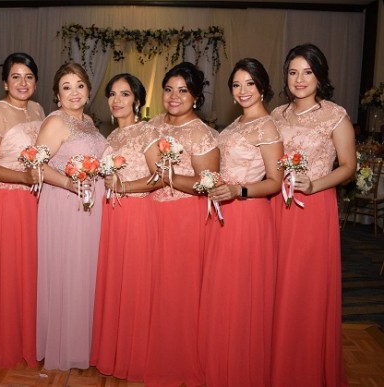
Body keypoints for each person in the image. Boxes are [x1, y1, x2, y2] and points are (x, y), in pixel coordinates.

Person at [271, 43, 355, 387]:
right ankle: (274, 358)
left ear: (320, 75)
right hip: (276, 206)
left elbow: (349, 167)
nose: (300, 79)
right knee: (275, 284)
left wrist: (315, 184)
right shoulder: (275, 115)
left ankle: (302, 366)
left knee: (304, 287)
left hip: (313, 207)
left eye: (307, 71)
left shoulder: (335, 115)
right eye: (293, 72)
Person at [198, 58, 283, 386]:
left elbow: (275, 181)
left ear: (262, 87)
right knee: (223, 292)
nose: (243, 90)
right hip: (224, 213)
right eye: (237, 84)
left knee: (241, 296)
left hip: (248, 215)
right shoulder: (235, 124)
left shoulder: (266, 126)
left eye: (250, 83)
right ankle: (219, 362)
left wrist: (238, 190)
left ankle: (241, 370)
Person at [144, 62, 219, 387]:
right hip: (150, 214)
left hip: (183, 218)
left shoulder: (200, 133)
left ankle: (177, 360)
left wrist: (169, 177)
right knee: (150, 287)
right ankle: (149, 350)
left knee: (177, 291)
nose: (174, 97)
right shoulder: (154, 124)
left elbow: (209, 182)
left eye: (183, 91)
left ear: (197, 97)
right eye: (169, 89)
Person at [35, 62, 108, 370]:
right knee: (68, 270)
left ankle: (84, 340)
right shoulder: (55, 122)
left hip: (90, 206)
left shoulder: (89, 121)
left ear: (88, 90)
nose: (74, 92)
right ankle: (65, 345)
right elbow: (36, 165)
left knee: (85, 271)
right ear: (57, 94)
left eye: (79, 85)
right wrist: (69, 184)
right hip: (65, 205)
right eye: (66, 87)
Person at [89, 73, 159, 382]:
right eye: (113, 94)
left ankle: (136, 355)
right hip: (113, 215)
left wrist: (123, 186)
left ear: (138, 101)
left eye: (125, 94)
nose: (117, 100)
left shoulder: (147, 132)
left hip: (137, 214)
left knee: (134, 281)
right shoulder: (111, 137)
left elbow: (159, 177)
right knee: (115, 279)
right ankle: (113, 350)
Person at [0, 52, 45, 368]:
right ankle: (5, 340)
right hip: (7, 201)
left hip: (35, 202)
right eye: (16, 76)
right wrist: (23, 177)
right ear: (5, 81)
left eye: (29, 77)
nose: (23, 83)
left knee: (32, 270)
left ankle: (30, 335)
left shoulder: (38, 109)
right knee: (9, 271)